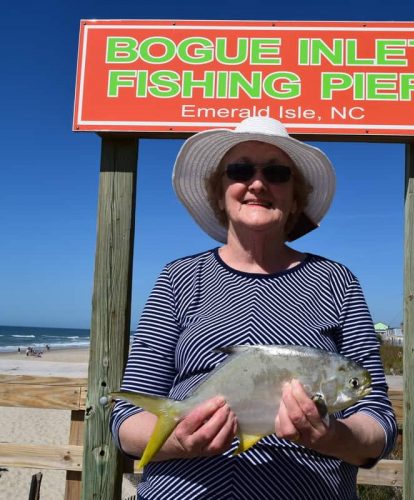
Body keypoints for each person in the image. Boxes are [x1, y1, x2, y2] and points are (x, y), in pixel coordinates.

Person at [110, 117, 397, 500]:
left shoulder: (336, 281)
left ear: (296, 197)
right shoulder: (179, 277)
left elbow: (378, 424)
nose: (258, 184)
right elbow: (127, 419)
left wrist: (332, 437)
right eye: (240, 170)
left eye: (277, 173)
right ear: (219, 192)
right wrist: (180, 440)